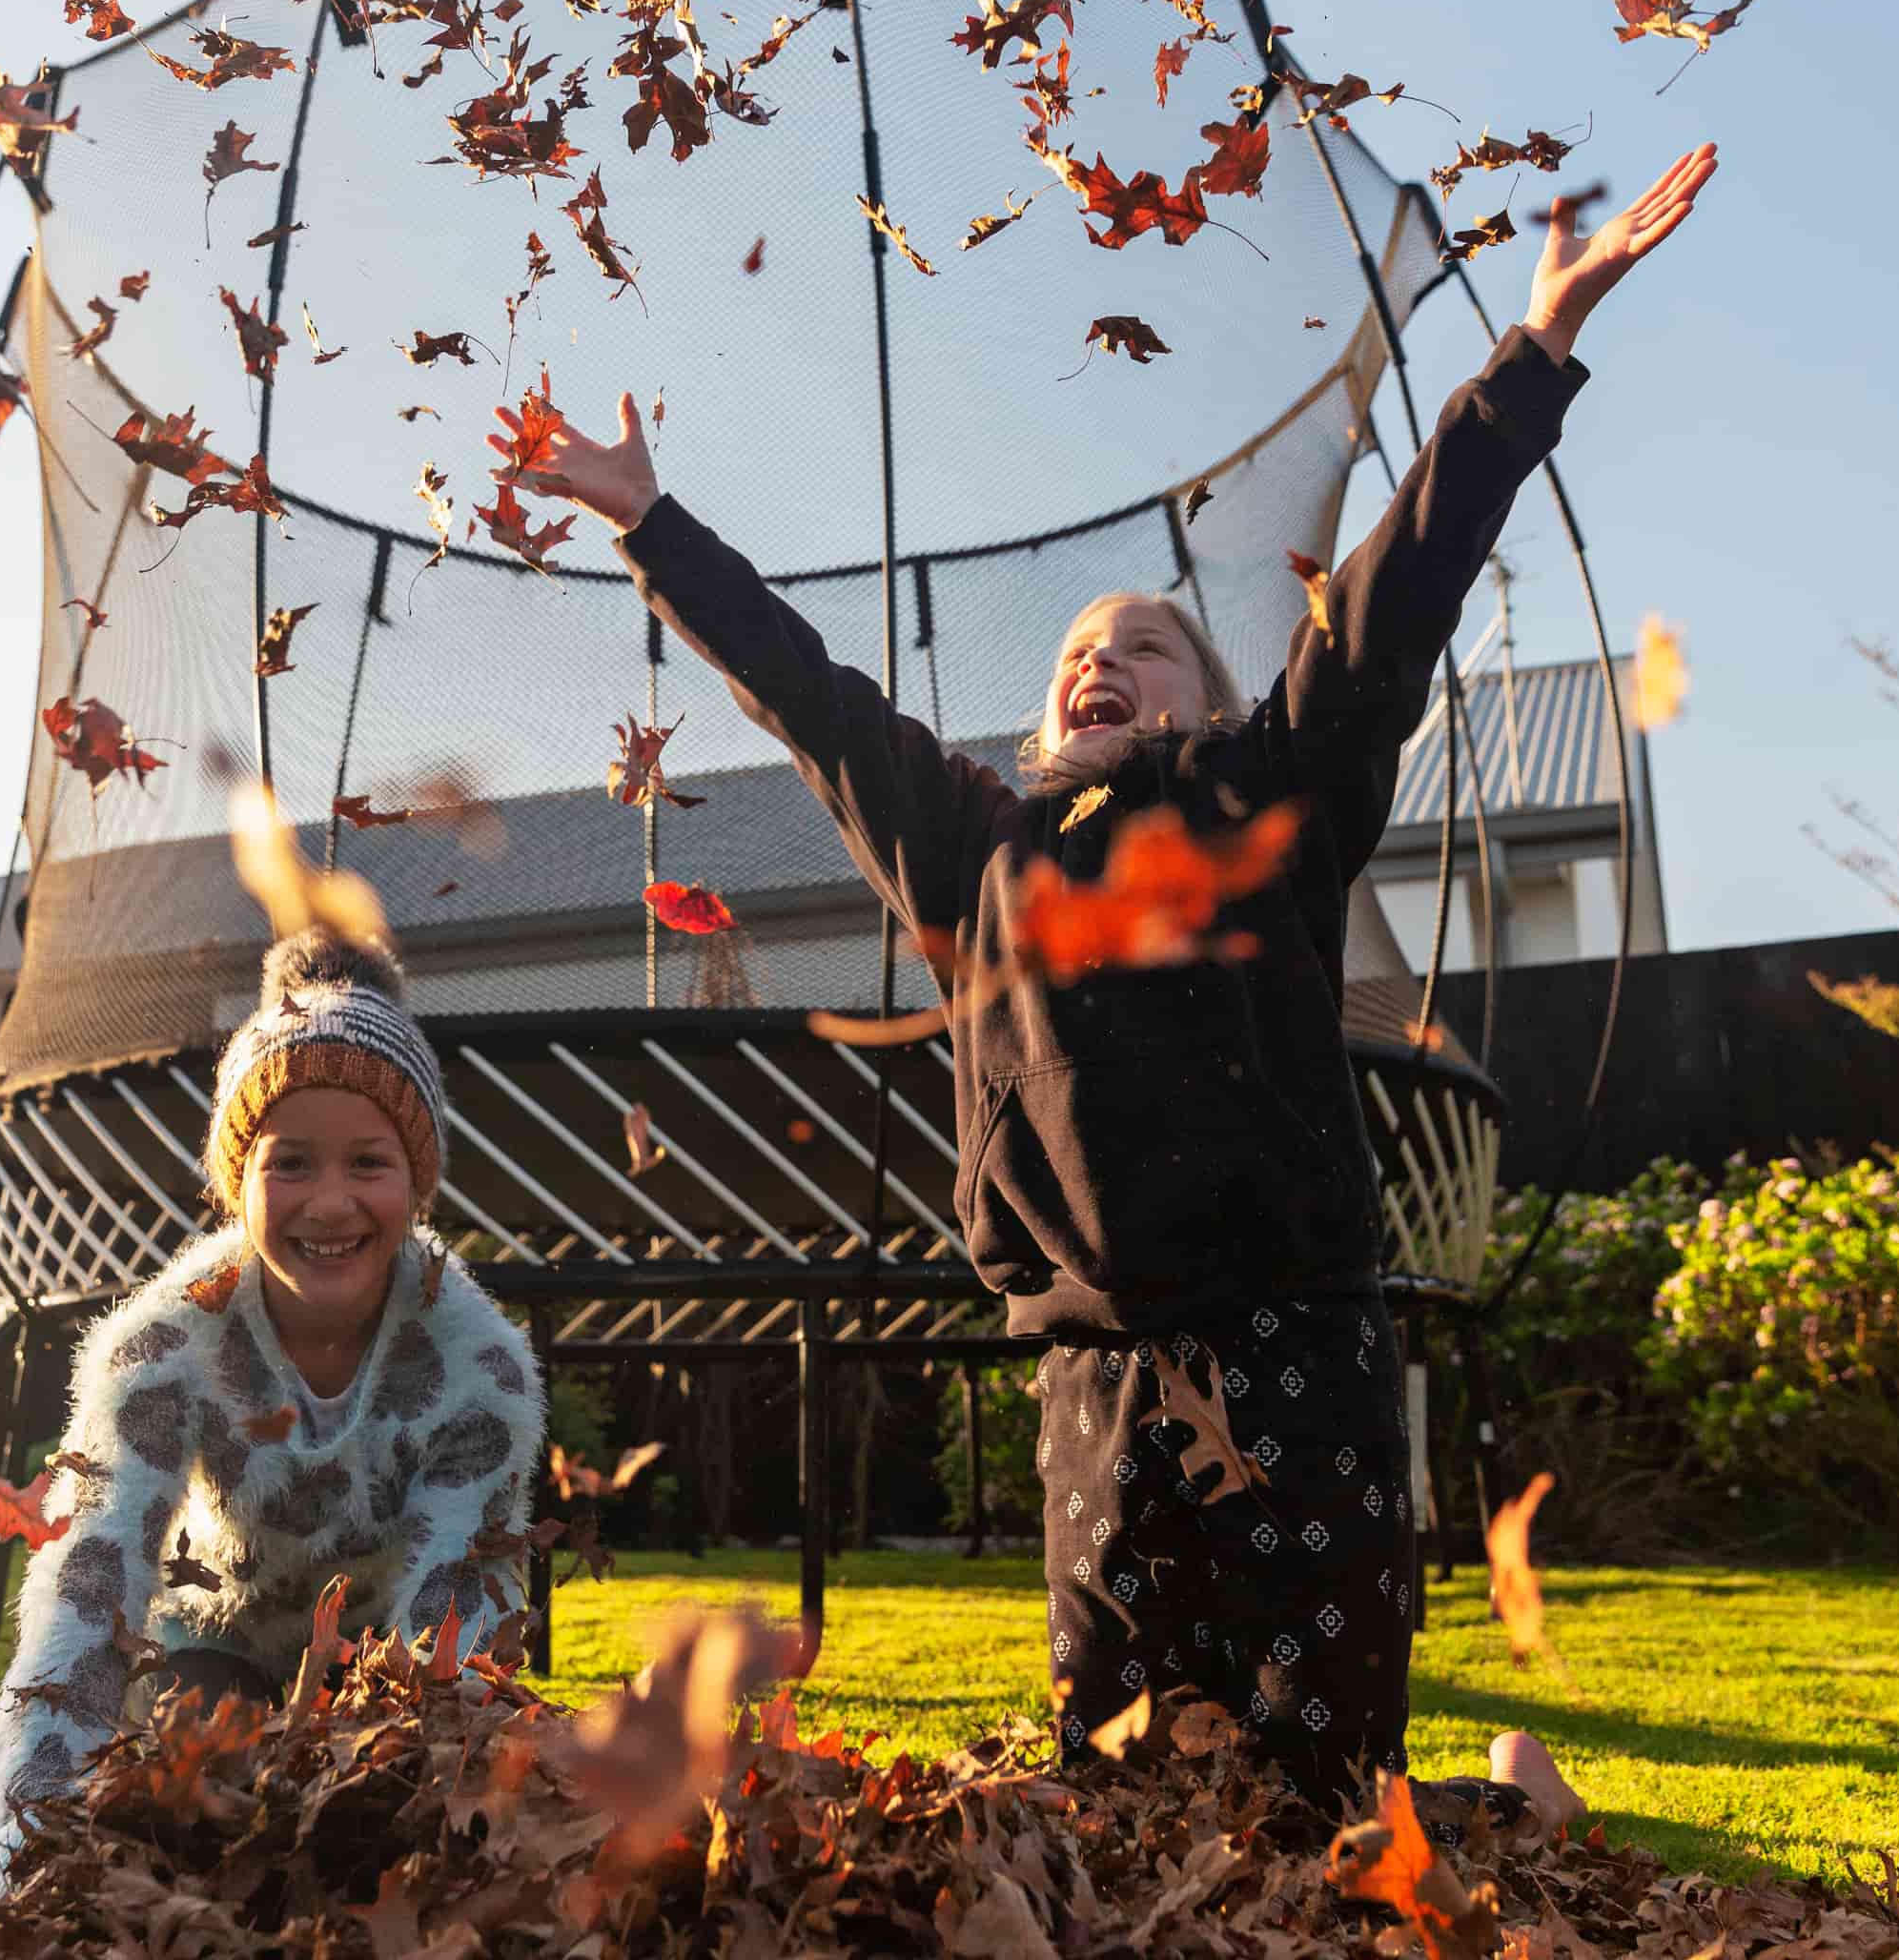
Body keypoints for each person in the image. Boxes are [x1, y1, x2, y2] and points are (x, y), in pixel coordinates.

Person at [518, 148, 1718, 1825]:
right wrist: (653, 524)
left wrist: (1528, 364)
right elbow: (815, 701)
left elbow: (1389, 608)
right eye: (1082, 648)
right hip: (1096, 1363)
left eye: (1145, 644)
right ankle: (1500, 1797)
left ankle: (1509, 1802)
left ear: (1205, 700)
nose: (1103, 656)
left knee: (1317, 1793)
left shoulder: (1262, 800)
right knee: (1123, 1790)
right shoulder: (977, 849)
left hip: (1293, 1340)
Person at [0, 929, 548, 1912]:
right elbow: (88, 1591)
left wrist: (438, 1823)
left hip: (378, 1663)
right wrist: (8, 1881)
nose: (330, 1203)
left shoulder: (479, 1367)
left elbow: (459, 1612)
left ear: (418, 1180)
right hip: (212, 1643)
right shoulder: (161, 1348)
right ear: (237, 1183)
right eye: (290, 1164)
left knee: (365, 1855)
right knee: (204, 1818)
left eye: (368, 1161)